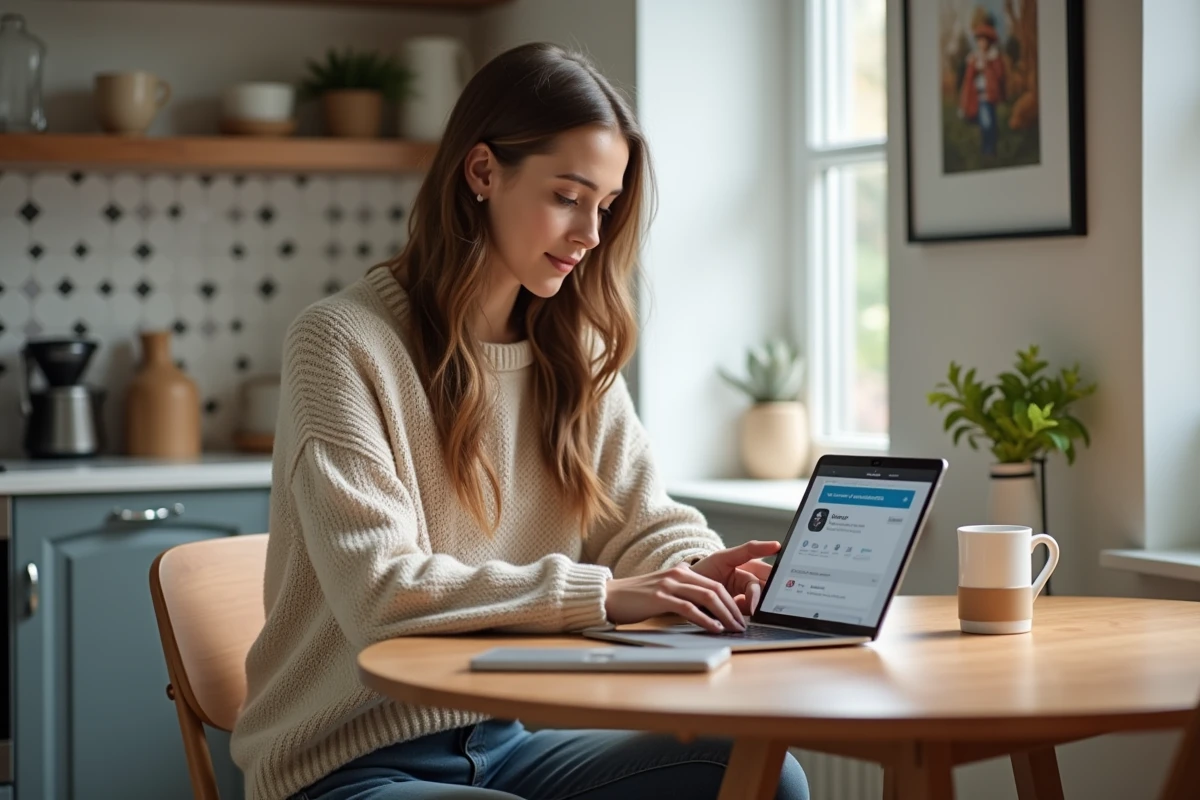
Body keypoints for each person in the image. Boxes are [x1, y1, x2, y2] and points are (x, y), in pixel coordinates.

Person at [230, 42, 809, 800]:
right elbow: (381, 593)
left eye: (604, 206)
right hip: (347, 762)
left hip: (513, 738)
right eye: (568, 196)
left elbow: (642, 524)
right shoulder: (340, 343)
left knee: (764, 777)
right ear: (481, 173)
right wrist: (602, 595)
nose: (590, 235)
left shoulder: (573, 348)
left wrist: (706, 573)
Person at [958, 21, 1006, 158]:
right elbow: (969, 78)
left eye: (983, 40)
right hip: (977, 95)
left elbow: (999, 75)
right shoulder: (974, 58)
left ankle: (990, 148)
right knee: (985, 122)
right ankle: (987, 148)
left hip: (989, 95)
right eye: (979, 40)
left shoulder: (993, 57)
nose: (981, 43)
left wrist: (987, 65)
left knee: (989, 122)